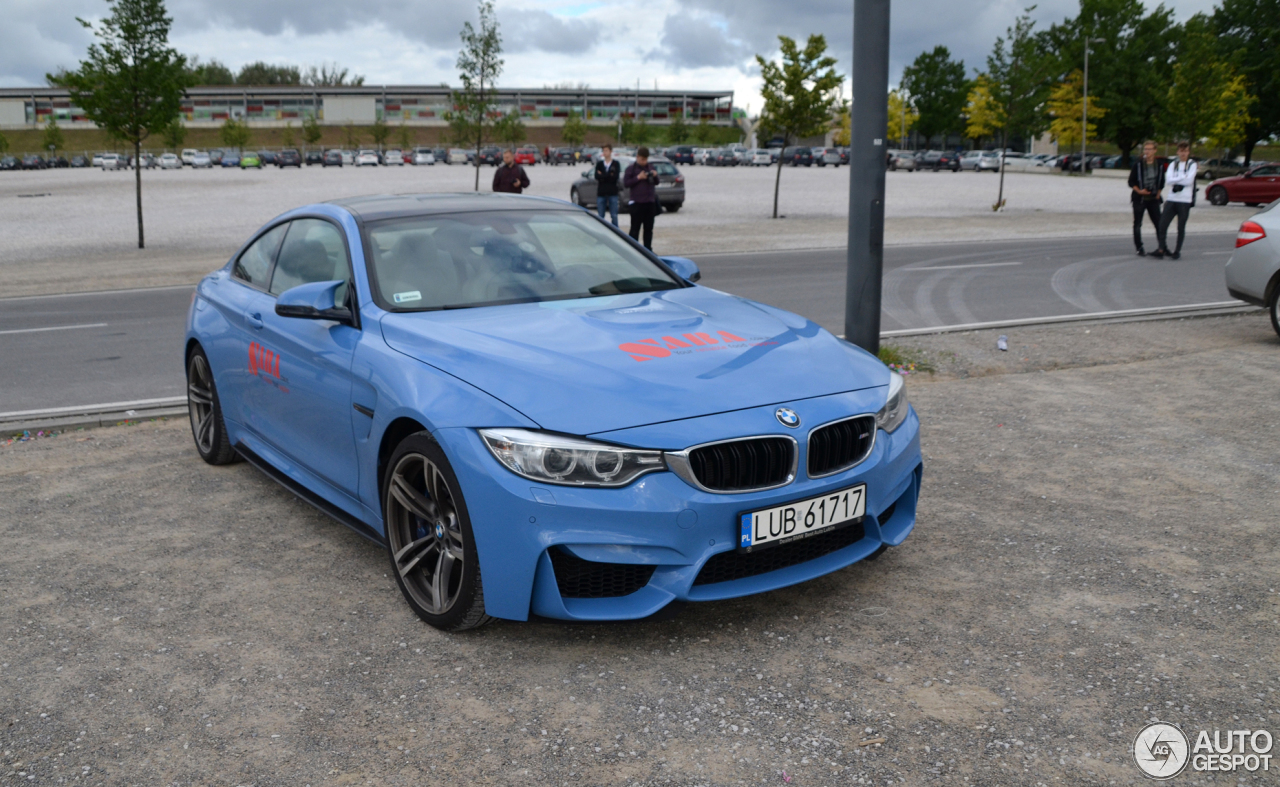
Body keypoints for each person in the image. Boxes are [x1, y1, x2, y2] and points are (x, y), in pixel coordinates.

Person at [1155, 141, 1197, 260]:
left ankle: (1177, 250)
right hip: (1172, 199)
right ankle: (1161, 248)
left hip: (1185, 200)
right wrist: (1182, 177)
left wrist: (1176, 179)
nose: (1183, 153)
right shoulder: (1173, 164)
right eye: (1181, 151)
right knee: (1162, 224)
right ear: (1178, 152)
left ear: (1188, 152)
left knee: (1181, 227)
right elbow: (1168, 180)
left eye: (1185, 151)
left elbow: (1189, 181)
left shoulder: (1192, 164)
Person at [1128, 140, 1164, 257]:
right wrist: (1139, 191)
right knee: (1138, 223)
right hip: (1140, 198)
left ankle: (1161, 246)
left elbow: (1161, 181)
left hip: (1153, 198)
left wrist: (1158, 192)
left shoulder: (1159, 165)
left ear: (1155, 150)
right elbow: (1131, 181)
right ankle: (1139, 247)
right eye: (1146, 149)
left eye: (1149, 149)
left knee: (1159, 223)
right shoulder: (1138, 164)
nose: (1147, 151)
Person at [624, 146, 659, 249]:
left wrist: (655, 175)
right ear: (637, 157)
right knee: (635, 229)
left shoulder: (651, 167)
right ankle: (633, 250)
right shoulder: (631, 169)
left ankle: (648, 250)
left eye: (646, 159)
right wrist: (638, 178)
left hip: (649, 203)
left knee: (648, 229)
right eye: (642, 159)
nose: (644, 161)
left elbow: (657, 182)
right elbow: (626, 183)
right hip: (636, 203)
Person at [594, 143, 621, 227]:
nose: (604, 152)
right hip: (601, 193)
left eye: (606, 150)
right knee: (600, 216)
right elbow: (596, 176)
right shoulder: (600, 164)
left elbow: (615, 177)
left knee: (614, 215)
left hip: (612, 192)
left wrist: (603, 175)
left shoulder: (616, 164)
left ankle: (616, 233)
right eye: (603, 151)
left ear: (610, 151)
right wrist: (609, 174)